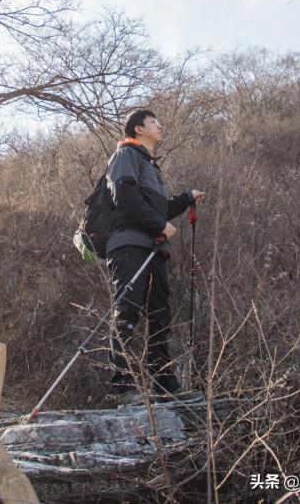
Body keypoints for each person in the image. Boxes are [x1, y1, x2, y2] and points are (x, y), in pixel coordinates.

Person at [106, 108, 205, 404]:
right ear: (138, 129)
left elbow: (156, 209)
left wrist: (186, 198)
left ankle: (164, 383)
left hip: (154, 249)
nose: (160, 126)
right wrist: (159, 224)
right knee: (127, 311)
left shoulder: (150, 166)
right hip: (129, 245)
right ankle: (123, 388)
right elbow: (124, 197)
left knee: (161, 315)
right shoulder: (125, 156)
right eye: (153, 122)